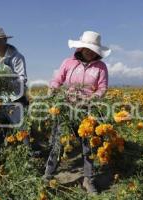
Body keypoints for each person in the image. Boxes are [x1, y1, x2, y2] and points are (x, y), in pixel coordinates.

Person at [44, 31, 111, 194]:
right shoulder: (68, 62)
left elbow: (102, 88)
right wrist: (52, 90)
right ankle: (48, 175)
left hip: (87, 110)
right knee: (58, 142)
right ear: (80, 47)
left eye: (92, 49)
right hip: (67, 108)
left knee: (88, 145)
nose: (89, 51)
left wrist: (91, 99)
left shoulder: (101, 67)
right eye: (86, 47)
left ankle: (88, 179)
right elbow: (57, 80)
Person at [0, 27, 41, 157]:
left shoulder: (16, 57)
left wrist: (7, 82)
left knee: (24, 131)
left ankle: (33, 159)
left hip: (16, 100)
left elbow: (22, 78)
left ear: (5, 39)